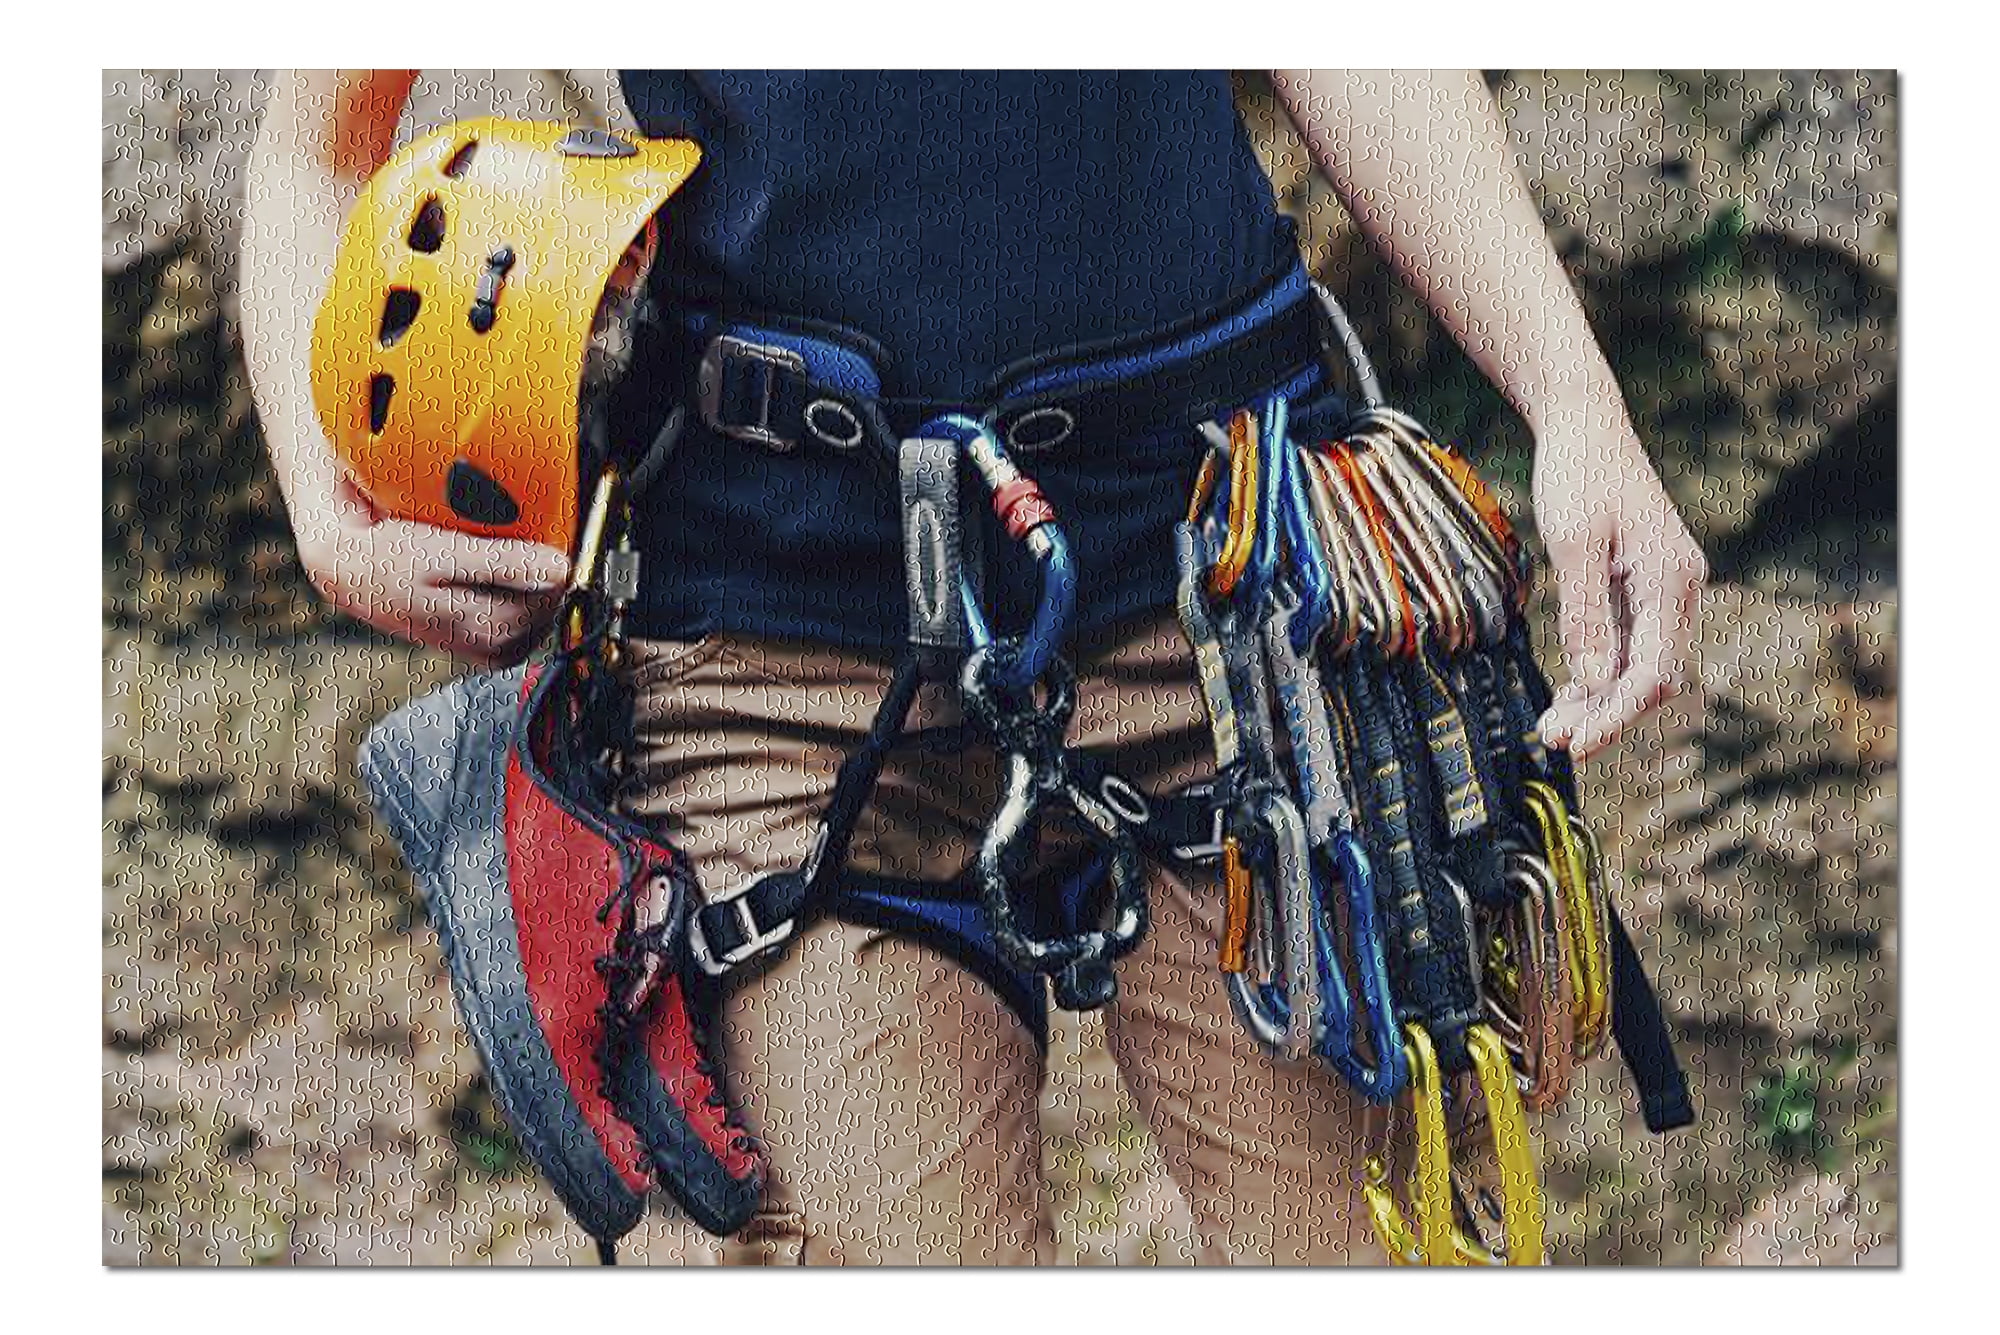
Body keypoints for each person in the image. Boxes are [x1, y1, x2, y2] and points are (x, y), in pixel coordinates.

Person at [243, 69, 1706, 1265]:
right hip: (769, 657)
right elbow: (318, 141)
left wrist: (1574, 399)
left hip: (1230, 596)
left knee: (1369, 1257)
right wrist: (327, 500)